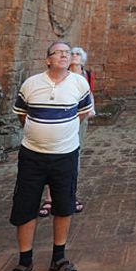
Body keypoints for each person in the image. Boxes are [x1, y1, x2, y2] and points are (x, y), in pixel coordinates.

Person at [0, 42, 93, 271]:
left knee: (63, 206)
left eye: (67, 52)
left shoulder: (79, 83)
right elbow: (22, 114)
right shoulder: (31, 84)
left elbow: (82, 113)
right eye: (58, 52)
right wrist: (39, 133)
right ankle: (24, 263)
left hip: (66, 155)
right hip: (32, 156)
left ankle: (58, 258)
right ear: (47, 60)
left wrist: (62, 132)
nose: (64, 55)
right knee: (26, 206)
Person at [40, 46, 94, 217]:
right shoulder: (57, 77)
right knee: (51, 157)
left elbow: (87, 102)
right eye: (73, 54)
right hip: (55, 124)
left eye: (77, 54)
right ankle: (49, 198)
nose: (74, 56)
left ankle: (69, 195)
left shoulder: (86, 76)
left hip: (77, 121)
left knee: (73, 157)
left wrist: (75, 121)